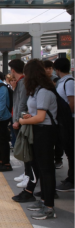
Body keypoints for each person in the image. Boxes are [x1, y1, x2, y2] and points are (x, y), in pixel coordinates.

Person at [17, 59, 58, 220]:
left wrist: (23, 121)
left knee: (47, 170)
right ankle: (44, 201)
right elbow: (38, 115)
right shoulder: (38, 90)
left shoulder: (44, 92)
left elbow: (41, 117)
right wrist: (29, 116)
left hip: (45, 133)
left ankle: (49, 207)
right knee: (41, 169)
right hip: (39, 132)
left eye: (26, 74)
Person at [9, 59, 31, 188]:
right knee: (23, 149)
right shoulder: (20, 82)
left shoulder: (22, 83)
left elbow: (22, 103)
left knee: (25, 150)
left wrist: (17, 120)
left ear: (12, 70)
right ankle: (26, 172)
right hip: (19, 119)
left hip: (21, 121)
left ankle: (28, 175)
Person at [53, 58, 74, 192]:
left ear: (57, 69)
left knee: (71, 151)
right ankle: (70, 177)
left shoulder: (69, 82)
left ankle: (72, 180)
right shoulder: (62, 82)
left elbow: (72, 103)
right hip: (64, 122)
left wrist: (65, 117)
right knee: (69, 151)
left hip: (69, 122)